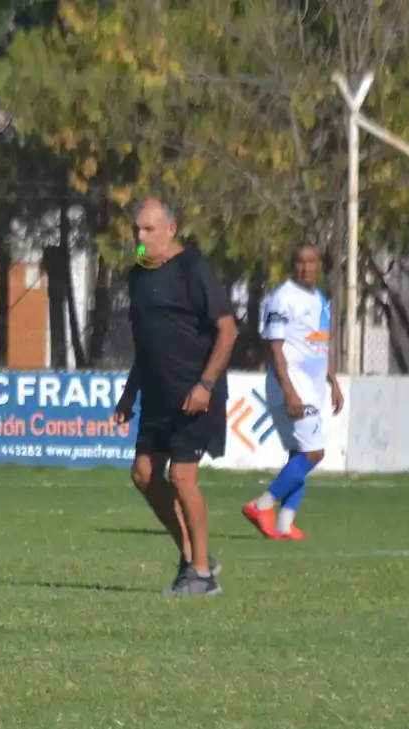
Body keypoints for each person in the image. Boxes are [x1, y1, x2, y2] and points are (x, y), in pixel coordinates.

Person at [113, 198, 238, 597]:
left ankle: (201, 575)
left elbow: (228, 330)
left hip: (194, 394)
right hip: (156, 395)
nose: (140, 236)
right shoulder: (137, 276)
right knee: (143, 474)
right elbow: (147, 344)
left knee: (182, 476)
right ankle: (193, 553)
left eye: (148, 229)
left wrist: (206, 386)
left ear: (172, 228)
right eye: (136, 229)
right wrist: (129, 395)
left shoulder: (194, 269)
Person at [243, 243, 345, 540]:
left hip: (311, 388)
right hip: (291, 387)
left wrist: (333, 382)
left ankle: (284, 523)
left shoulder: (320, 299)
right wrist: (289, 392)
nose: (305, 268)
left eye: (311, 262)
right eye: (300, 262)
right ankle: (261, 505)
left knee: (299, 454)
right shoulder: (283, 298)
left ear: (319, 265)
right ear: (293, 265)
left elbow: (318, 345)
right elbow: (274, 349)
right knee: (314, 452)